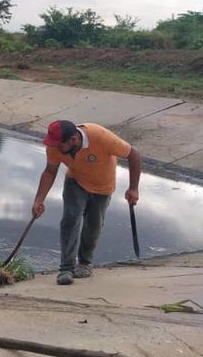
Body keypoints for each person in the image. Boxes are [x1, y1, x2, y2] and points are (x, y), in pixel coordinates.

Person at [31, 120, 141, 285]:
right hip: (75, 182)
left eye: (59, 144)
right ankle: (66, 268)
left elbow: (134, 155)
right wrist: (39, 200)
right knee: (70, 219)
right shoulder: (55, 147)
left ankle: (84, 264)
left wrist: (133, 188)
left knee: (93, 226)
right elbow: (49, 172)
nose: (55, 147)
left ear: (73, 139)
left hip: (103, 187)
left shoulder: (100, 137)